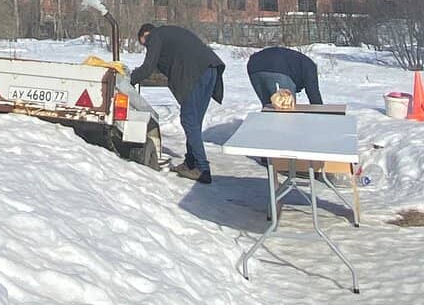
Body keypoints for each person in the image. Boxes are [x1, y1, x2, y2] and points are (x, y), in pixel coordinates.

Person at [129, 23, 225, 184]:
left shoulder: (154, 36)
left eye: (144, 44)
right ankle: (190, 162)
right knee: (195, 121)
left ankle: (202, 169)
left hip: (194, 74)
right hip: (211, 70)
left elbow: (148, 67)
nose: (147, 48)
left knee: (188, 120)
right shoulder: (169, 34)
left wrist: (128, 80)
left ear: (145, 35)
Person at [246, 46, 323, 107]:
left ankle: (267, 126)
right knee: (286, 108)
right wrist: (321, 114)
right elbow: (313, 94)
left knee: (270, 107)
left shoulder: (299, 61)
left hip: (254, 66)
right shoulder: (310, 66)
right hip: (277, 66)